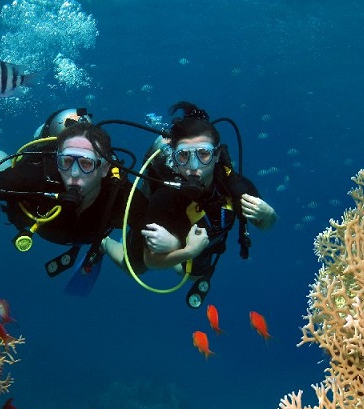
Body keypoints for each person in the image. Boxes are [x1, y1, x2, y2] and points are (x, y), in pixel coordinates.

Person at [0, 120, 147, 294]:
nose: (74, 174)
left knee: (135, 266)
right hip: (28, 211)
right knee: (3, 170)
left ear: (105, 168)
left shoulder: (122, 195)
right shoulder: (36, 176)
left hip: (88, 233)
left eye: (86, 164)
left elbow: (155, 231)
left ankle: (103, 243)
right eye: (66, 162)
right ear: (58, 160)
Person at [104, 101, 276, 307]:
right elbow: (150, 260)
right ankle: (104, 242)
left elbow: (265, 225)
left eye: (203, 154)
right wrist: (187, 252)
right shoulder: (164, 197)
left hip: (202, 244)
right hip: (176, 238)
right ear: (174, 160)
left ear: (217, 155)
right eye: (184, 156)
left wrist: (269, 215)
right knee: (135, 268)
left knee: (195, 275)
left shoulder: (236, 186)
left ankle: (179, 252)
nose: (194, 168)